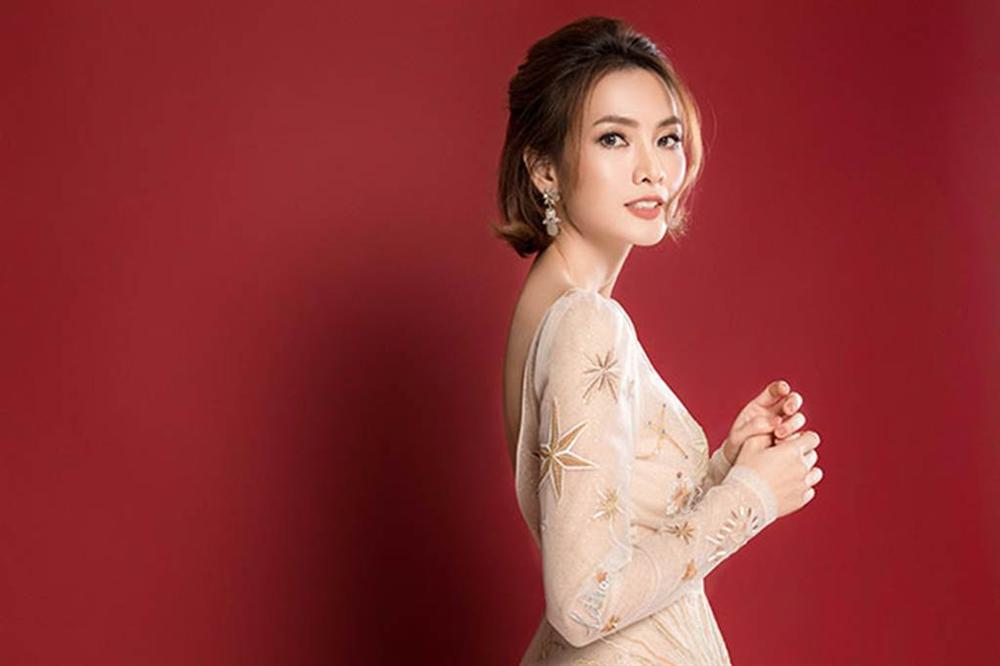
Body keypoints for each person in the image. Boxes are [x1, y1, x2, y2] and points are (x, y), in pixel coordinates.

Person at [492, 16, 824, 664]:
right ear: (544, 168)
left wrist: (724, 468)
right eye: (614, 138)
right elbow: (584, 604)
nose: (652, 170)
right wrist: (751, 498)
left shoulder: (553, 307)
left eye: (666, 138)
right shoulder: (587, 322)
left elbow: (611, 529)